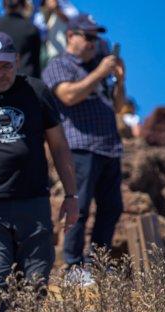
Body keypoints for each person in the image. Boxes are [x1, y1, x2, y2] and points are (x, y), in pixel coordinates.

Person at [0, 32, 79, 311]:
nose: (0, 73)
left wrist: (71, 196)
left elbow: (58, 146)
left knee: (35, 282)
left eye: (6, 65)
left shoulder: (37, 91)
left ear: (17, 61)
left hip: (33, 202)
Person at [42, 14, 125, 277]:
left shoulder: (96, 69)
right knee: (80, 205)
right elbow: (67, 95)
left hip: (108, 148)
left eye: (95, 38)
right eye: (87, 37)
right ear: (70, 36)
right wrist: (100, 72)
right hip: (79, 147)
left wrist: (119, 80)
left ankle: (97, 263)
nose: (92, 43)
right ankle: (73, 264)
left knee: (112, 207)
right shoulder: (60, 65)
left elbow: (119, 107)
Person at [0, 0, 42, 78]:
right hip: (25, 81)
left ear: (4, 4)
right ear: (24, 4)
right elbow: (36, 63)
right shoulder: (30, 28)